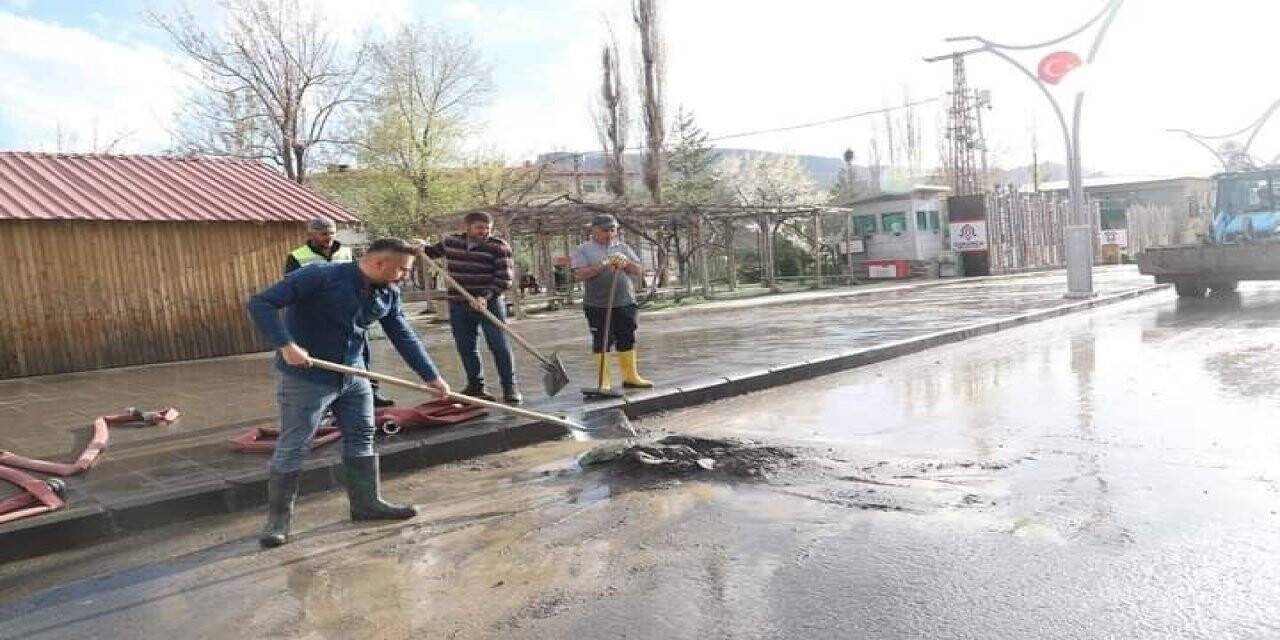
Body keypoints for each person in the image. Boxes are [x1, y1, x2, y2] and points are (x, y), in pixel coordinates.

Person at [248, 238, 450, 548]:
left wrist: (431, 376)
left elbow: (402, 334)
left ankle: (366, 504)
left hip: (355, 376)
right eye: (402, 270)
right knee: (295, 444)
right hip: (308, 378)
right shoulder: (318, 276)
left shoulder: (388, 292)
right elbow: (260, 303)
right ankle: (278, 521)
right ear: (380, 263)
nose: (405, 277)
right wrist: (285, 345)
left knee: (362, 435)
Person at [285, 218, 395, 408]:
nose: (329, 237)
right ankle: (328, 400)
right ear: (311, 234)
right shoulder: (297, 256)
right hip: (320, 317)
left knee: (362, 354)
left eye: (332, 233)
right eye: (323, 234)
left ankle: (371, 393)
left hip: (352, 313)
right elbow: (292, 287)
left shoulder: (346, 252)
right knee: (324, 359)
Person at [419, 211, 522, 404]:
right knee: (466, 347)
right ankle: (476, 385)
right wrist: (419, 247)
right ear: (467, 227)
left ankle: (510, 387)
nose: (484, 232)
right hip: (459, 304)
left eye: (487, 229)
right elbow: (430, 252)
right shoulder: (451, 242)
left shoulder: (498, 247)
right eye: (479, 228)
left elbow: (504, 278)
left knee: (499, 346)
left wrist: (485, 297)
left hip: (489, 305)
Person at [571, 214, 654, 391]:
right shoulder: (583, 250)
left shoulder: (622, 247)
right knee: (602, 339)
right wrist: (604, 263)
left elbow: (639, 270)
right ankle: (604, 380)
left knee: (627, 337)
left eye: (612, 229)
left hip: (625, 301)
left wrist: (626, 263)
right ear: (593, 230)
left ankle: (631, 376)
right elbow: (580, 274)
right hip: (597, 304)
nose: (609, 234)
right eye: (604, 230)